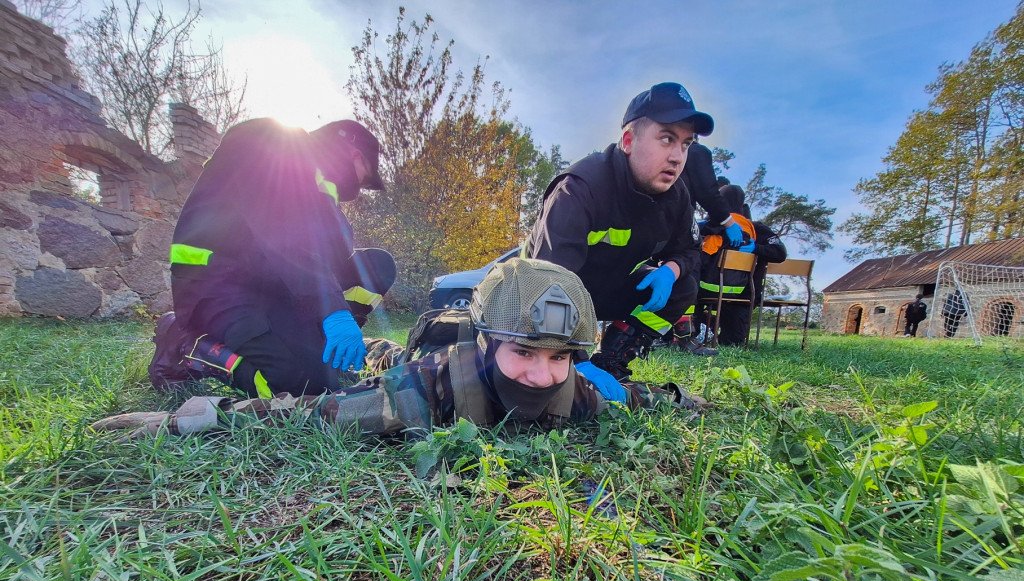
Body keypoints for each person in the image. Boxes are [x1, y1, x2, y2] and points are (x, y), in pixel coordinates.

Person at [93, 259, 704, 439]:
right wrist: (188, 420)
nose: (545, 375)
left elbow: (642, 397)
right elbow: (302, 414)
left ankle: (381, 347)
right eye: (526, 353)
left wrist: (682, 399)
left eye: (561, 357)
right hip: (426, 355)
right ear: (488, 342)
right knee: (366, 369)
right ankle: (381, 350)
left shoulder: (577, 390)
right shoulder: (427, 392)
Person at [148, 117, 397, 399]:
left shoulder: (321, 191)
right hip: (220, 286)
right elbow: (286, 237)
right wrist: (335, 313)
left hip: (273, 285)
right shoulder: (266, 141)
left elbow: (326, 259)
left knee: (377, 266)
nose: (361, 186)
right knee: (302, 388)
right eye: (366, 173)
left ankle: (328, 350)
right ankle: (186, 344)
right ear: (354, 154)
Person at [523, 81, 717, 394]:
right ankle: (575, 362)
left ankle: (613, 359)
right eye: (666, 139)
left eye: (685, 144)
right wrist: (577, 360)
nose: (678, 157)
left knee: (684, 286)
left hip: (608, 289)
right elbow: (549, 283)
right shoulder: (579, 188)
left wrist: (670, 270)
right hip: (538, 296)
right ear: (628, 140)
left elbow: (690, 251)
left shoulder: (677, 196)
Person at [698, 184, 787, 346]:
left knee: (732, 341)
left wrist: (757, 248)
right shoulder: (710, 226)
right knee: (732, 341)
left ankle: (703, 325)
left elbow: (780, 253)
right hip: (731, 291)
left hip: (736, 294)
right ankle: (701, 324)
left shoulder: (757, 229)